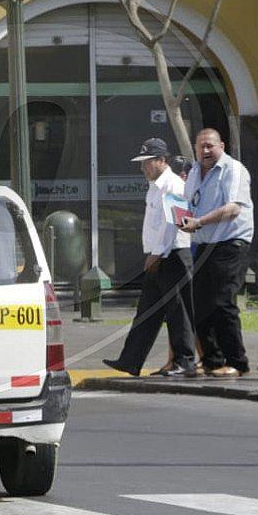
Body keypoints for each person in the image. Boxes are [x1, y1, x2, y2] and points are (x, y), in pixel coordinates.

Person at [103, 138, 198, 377]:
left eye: (147, 162)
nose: (143, 167)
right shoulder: (155, 185)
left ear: (161, 161)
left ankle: (184, 361)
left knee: (178, 311)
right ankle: (130, 360)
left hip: (173, 254)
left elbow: (173, 223)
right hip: (160, 256)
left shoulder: (173, 185)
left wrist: (157, 254)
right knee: (147, 311)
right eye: (142, 162)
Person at [179, 129, 253, 377]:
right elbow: (188, 204)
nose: (205, 151)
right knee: (200, 305)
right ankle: (212, 360)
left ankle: (237, 362)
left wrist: (198, 222)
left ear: (221, 145)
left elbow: (233, 208)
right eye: (201, 146)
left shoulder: (234, 170)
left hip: (230, 243)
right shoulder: (194, 173)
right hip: (203, 245)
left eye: (210, 146)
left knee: (223, 303)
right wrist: (181, 218)